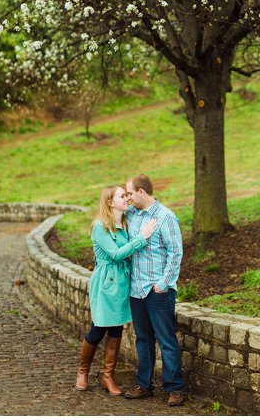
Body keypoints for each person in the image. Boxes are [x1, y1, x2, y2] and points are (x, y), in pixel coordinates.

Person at [75, 185, 157, 394]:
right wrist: (142, 237)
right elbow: (116, 254)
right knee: (98, 328)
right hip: (106, 283)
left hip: (123, 281)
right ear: (110, 202)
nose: (127, 199)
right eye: (122, 196)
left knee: (116, 329)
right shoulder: (100, 227)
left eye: (127, 195)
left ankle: (107, 377)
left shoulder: (126, 222)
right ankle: (82, 372)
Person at [123, 174, 186, 406]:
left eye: (130, 193)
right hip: (136, 289)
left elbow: (175, 253)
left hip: (157, 290)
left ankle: (175, 388)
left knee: (166, 339)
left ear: (141, 192)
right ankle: (144, 384)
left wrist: (164, 284)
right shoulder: (132, 216)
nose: (128, 198)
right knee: (143, 339)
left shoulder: (165, 217)